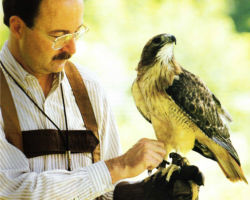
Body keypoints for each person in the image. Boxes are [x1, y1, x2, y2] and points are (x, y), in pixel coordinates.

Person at [0, 0, 202, 199]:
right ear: (18, 27)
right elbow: (14, 191)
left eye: (77, 33)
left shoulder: (89, 87)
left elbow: (105, 190)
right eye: (59, 36)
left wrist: (144, 193)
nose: (72, 49)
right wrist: (120, 166)